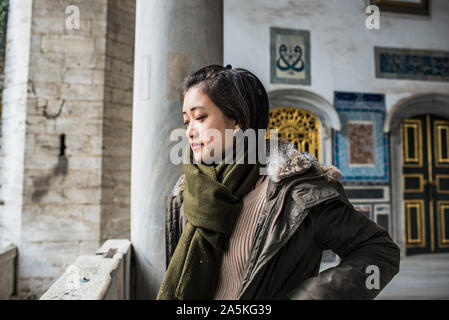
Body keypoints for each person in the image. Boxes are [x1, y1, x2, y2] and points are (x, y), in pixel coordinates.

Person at [156, 64, 400, 300]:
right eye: (186, 121)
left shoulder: (299, 193)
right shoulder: (189, 194)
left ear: (237, 121)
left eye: (200, 117)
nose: (189, 131)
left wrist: (311, 297)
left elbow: (379, 250)